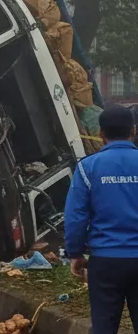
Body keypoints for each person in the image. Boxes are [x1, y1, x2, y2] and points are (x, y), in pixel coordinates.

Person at [65, 106, 138, 333]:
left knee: (104, 325)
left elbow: (76, 216)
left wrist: (75, 253)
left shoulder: (88, 167)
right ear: (133, 131)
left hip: (105, 261)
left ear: (100, 133)